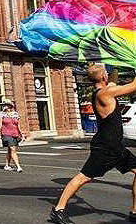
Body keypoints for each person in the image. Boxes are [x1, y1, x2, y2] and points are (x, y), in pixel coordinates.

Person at [50, 65, 136, 224]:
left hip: (116, 148)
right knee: (83, 178)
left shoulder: (104, 90)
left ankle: (135, 211)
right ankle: (58, 210)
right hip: (105, 148)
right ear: (103, 76)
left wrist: (113, 74)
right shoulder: (104, 94)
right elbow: (133, 86)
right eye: (106, 72)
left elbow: (112, 83)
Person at [0, 98, 24, 173]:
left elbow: (18, 125)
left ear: (10, 106)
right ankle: (18, 166)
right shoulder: (1, 114)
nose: (4, 106)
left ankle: (7, 165)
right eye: (4, 105)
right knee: (13, 149)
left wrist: (21, 134)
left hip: (15, 133)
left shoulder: (15, 114)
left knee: (10, 150)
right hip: (6, 134)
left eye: (6, 105)